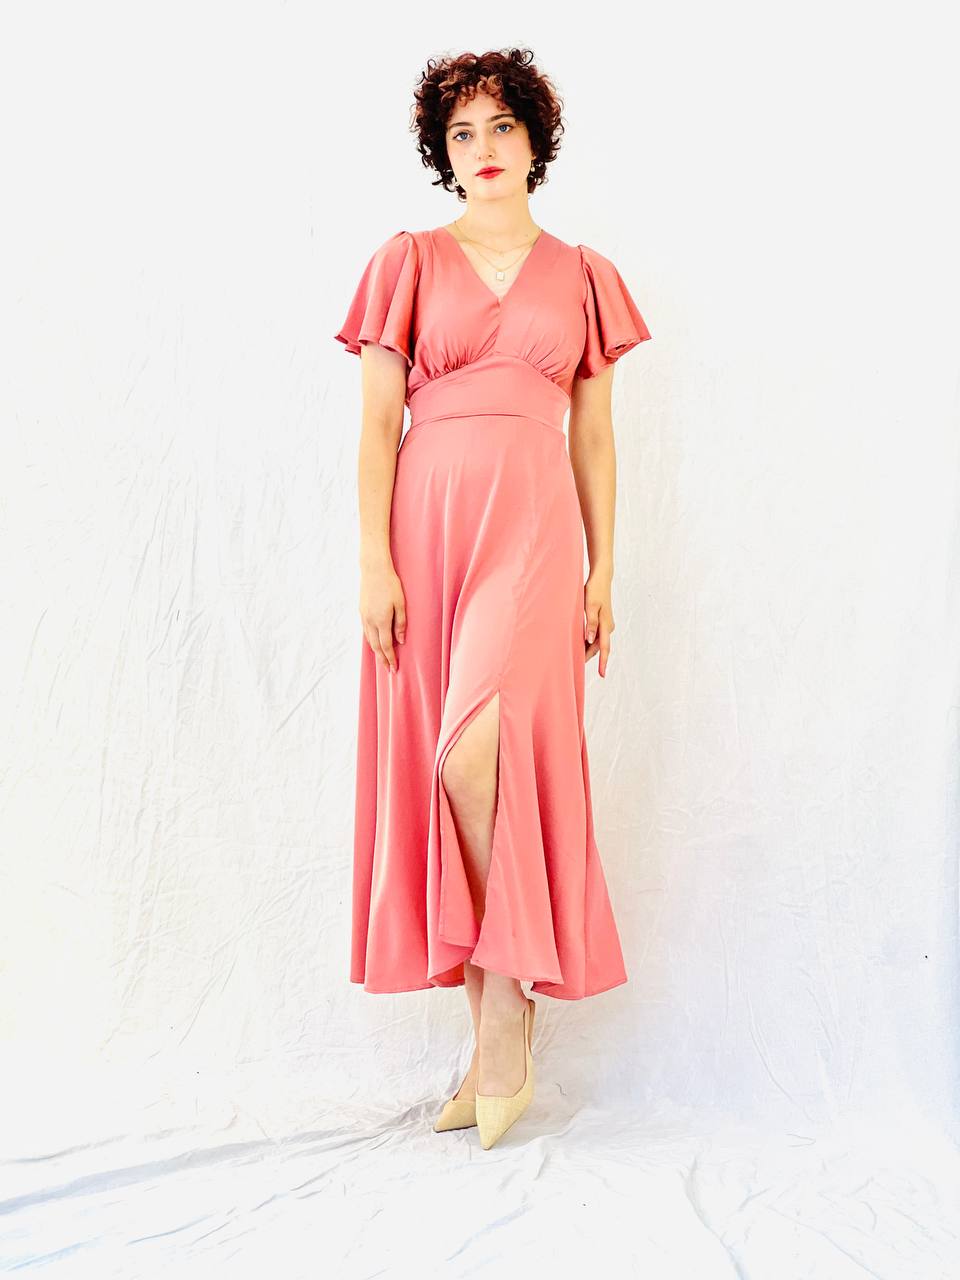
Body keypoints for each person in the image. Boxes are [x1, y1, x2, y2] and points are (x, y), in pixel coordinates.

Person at [333, 47, 652, 1149]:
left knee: (480, 751)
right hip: (427, 529)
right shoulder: (409, 261)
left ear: (534, 141)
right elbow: (378, 425)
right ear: (442, 151)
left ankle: (509, 1011)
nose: (482, 149)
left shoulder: (583, 274)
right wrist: (372, 561)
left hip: (531, 524)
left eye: (501, 127)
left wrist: (605, 567)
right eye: (461, 133)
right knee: (448, 758)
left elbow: (594, 435)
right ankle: (491, 1031)